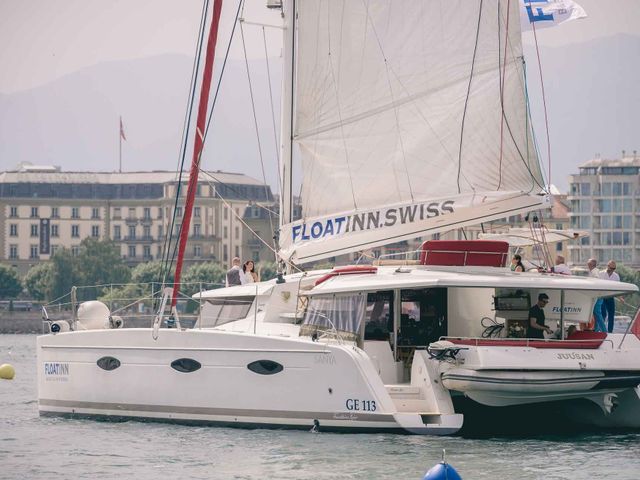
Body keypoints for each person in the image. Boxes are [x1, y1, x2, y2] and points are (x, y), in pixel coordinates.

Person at [599, 260, 624, 333]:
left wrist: (620, 298)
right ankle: (602, 331)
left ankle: (610, 331)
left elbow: (618, 288)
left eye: (614, 269)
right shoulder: (601, 274)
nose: (612, 270)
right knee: (603, 314)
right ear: (608, 266)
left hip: (610, 297)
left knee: (611, 315)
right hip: (602, 297)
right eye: (611, 268)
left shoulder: (616, 276)